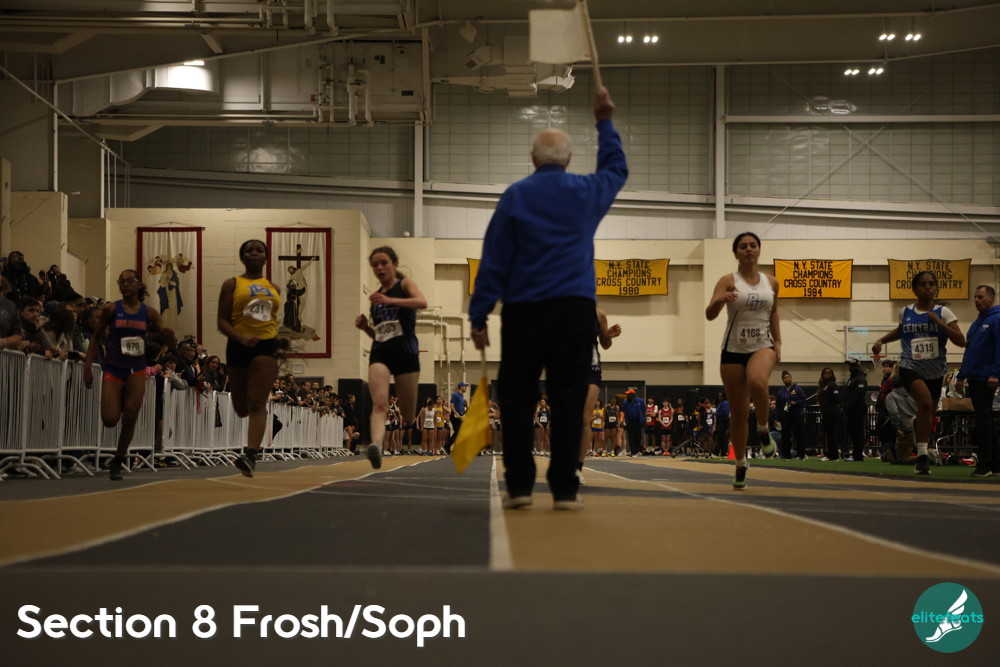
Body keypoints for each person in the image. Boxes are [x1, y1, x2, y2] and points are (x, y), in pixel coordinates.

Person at [469, 86, 627, 510]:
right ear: (569, 159)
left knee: (517, 398)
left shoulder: (516, 196)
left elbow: (494, 260)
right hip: (574, 308)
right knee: (568, 398)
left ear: (533, 159)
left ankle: (520, 487)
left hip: (525, 309)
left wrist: (479, 315)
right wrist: (604, 121)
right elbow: (617, 169)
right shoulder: (585, 191)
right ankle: (564, 490)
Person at [705, 232, 780, 489]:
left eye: (753, 245)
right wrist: (720, 300)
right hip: (733, 350)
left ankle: (763, 429)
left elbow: (774, 312)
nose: (748, 249)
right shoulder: (728, 281)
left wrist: (778, 342)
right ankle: (740, 464)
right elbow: (710, 314)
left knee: (757, 382)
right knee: (738, 414)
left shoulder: (771, 282)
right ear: (736, 253)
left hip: (763, 345)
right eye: (743, 246)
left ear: (759, 250)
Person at [872, 271, 965, 475]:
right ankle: (922, 455)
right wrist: (882, 340)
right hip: (910, 367)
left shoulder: (944, 313)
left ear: (936, 288)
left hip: (935, 370)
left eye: (931, 284)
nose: (928, 287)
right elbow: (900, 331)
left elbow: (961, 341)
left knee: (928, 412)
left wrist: (939, 323)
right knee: (925, 404)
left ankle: (923, 444)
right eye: (923, 284)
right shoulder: (905, 312)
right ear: (915, 289)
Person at [83, 269, 173, 480]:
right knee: (110, 419)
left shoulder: (149, 313)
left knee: (131, 415)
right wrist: (87, 366)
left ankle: (118, 459)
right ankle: (119, 399)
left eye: (129, 280)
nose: (124, 284)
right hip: (114, 367)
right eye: (121, 281)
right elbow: (96, 337)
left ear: (138, 284)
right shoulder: (111, 309)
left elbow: (169, 342)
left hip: (136, 368)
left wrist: (170, 336)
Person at [355, 246, 427, 469]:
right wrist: (366, 328)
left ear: (394, 264)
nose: (379, 268)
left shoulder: (404, 285)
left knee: (408, 416)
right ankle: (376, 446)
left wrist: (390, 301)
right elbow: (380, 334)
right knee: (379, 403)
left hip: (406, 352)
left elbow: (422, 302)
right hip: (381, 352)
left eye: (384, 263)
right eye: (375, 265)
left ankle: (389, 434)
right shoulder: (377, 298)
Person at [217, 239, 284, 477]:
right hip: (238, 344)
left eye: (259, 250)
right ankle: (250, 449)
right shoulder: (232, 284)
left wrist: (278, 338)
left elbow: (271, 319)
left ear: (266, 257)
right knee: (241, 407)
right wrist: (241, 338)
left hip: (266, 344)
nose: (254, 253)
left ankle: (251, 454)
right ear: (242, 257)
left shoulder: (274, 288)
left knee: (257, 403)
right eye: (249, 250)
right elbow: (222, 321)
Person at [956, 284, 1000, 477]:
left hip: (985, 377)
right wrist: (960, 376)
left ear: (992, 297)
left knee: (983, 421)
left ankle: (985, 464)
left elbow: (999, 349)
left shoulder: (997, 319)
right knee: (986, 419)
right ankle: (996, 465)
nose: (976, 300)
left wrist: (995, 373)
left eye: (980, 297)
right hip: (974, 377)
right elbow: (969, 351)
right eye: (975, 297)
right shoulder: (976, 323)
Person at [841, 359, 869, 461]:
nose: (851, 368)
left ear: (858, 366)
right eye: (850, 366)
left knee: (857, 432)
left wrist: (849, 406)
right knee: (853, 433)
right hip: (851, 410)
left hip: (856, 409)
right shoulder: (853, 378)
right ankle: (856, 454)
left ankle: (858, 455)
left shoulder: (860, 379)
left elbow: (859, 396)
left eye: (853, 366)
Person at [775, 370, 807, 459]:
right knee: (785, 436)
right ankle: (786, 455)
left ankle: (801, 455)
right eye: (785, 378)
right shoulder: (780, 392)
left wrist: (795, 403)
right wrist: (776, 418)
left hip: (797, 415)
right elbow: (778, 407)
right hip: (785, 416)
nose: (787, 379)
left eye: (788, 377)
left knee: (799, 435)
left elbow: (803, 400)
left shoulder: (797, 389)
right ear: (783, 380)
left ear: (791, 378)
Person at [817, 367, 843, 461]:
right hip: (825, 413)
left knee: (832, 434)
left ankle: (834, 455)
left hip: (832, 413)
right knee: (828, 434)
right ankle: (830, 454)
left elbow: (837, 399)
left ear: (832, 375)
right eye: (825, 373)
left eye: (828, 373)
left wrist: (830, 405)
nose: (827, 375)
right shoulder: (823, 386)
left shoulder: (833, 385)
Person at [621, 389, 644, 456]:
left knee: (638, 436)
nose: (627, 396)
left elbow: (644, 411)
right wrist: (621, 421)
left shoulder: (640, 401)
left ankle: (637, 450)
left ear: (632, 395)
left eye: (628, 395)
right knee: (631, 437)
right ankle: (633, 451)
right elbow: (623, 412)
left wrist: (645, 421)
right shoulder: (625, 402)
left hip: (638, 421)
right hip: (629, 422)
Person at [448, 381, 469, 453]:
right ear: (461, 387)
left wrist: (462, 414)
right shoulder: (455, 395)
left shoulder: (461, 396)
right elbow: (451, 405)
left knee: (459, 433)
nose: (466, 388)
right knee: (458, 432)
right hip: (455, 416)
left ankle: (452, 447)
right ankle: (446, 447)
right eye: (465, 386)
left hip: (460, 416)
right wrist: (456, 413)